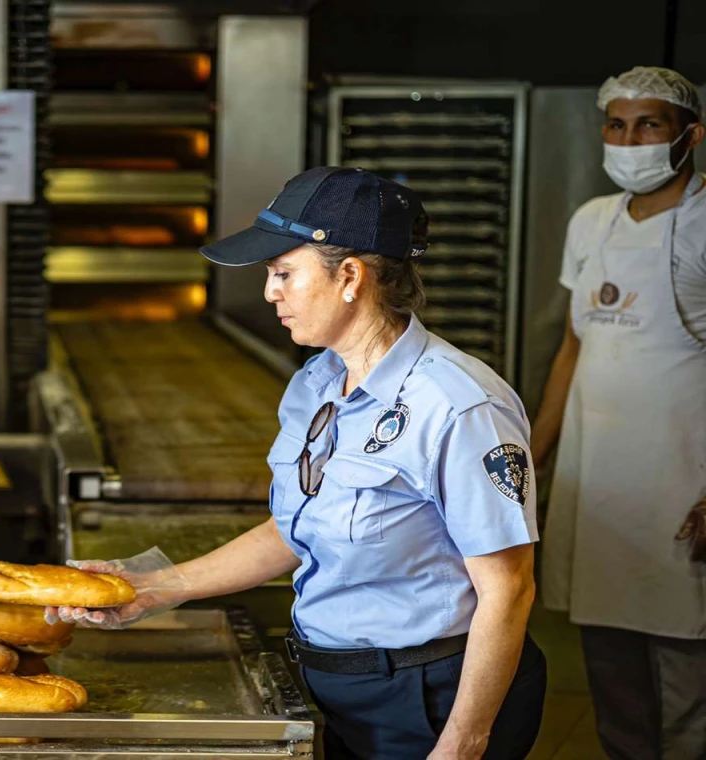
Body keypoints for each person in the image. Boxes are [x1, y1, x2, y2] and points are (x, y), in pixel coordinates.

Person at [50, 167, 546, 759]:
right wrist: (154, 588)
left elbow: (508, 589)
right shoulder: (318, 382)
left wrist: (462, 744)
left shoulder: (460, 406)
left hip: (429, 699)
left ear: (350, 278)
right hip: (333, 689)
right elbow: (297, 529)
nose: (270, 292)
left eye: (283, 273)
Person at [533, 66, 706, 760]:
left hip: (680, 488)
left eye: (649, 125)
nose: (629, 140)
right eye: (617, 125)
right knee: (610, 672)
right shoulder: (590, 221)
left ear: (689, 136)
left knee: (685, 681)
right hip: (596, 485)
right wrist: (530, 463)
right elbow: (572, 352)